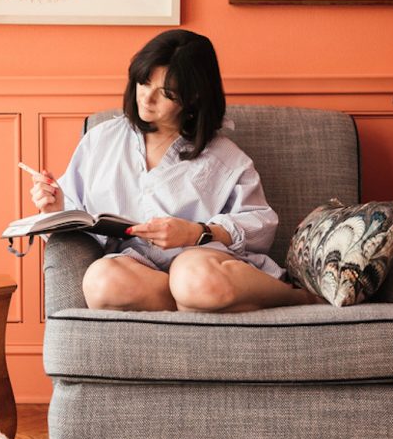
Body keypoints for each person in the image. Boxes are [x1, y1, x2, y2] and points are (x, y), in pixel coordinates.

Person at [30, 29, 318, 313]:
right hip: (136, 270)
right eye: (143, 82)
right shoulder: (101, 140)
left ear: (193, 98)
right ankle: (196, 303)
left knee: (191, 276)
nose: (146, 98)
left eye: (165, 93)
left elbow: (261, 225)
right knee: (100, 280)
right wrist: (54, 209)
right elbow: (78, 219)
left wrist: (197, 232)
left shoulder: (224, 157)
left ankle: (295, 297)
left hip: (200, 263)